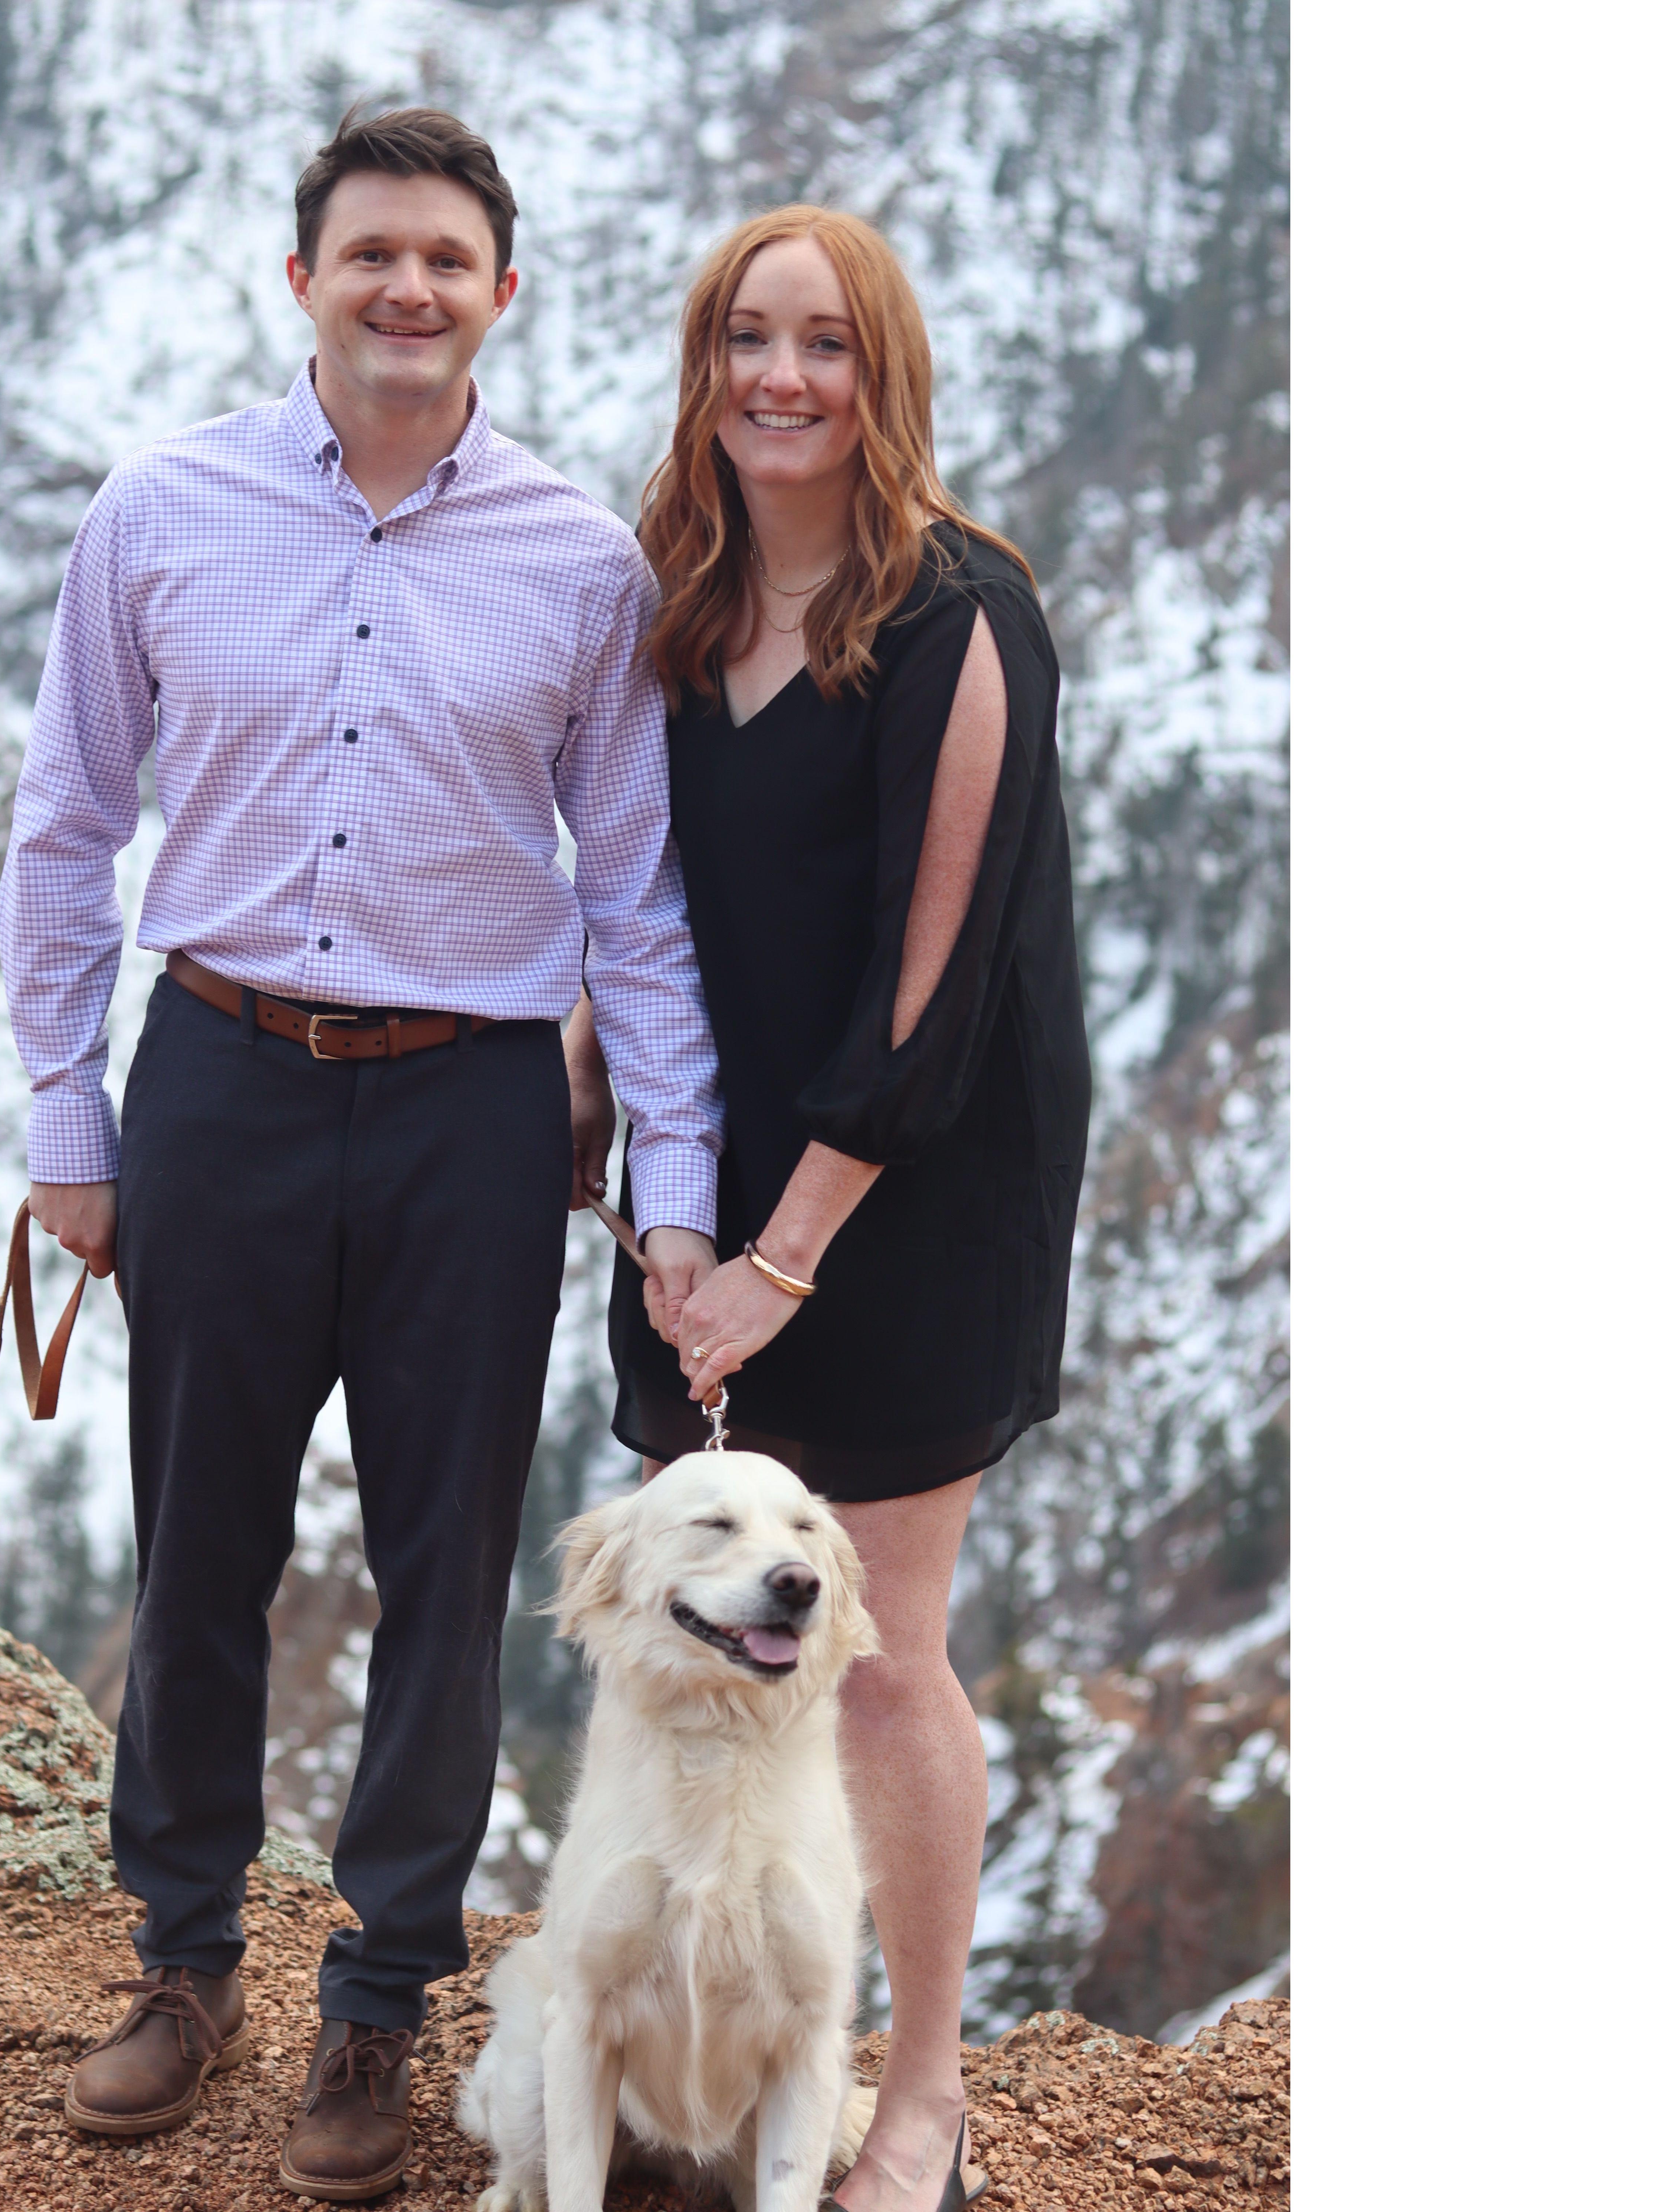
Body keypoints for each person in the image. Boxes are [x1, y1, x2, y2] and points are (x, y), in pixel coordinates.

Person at [0, 107, 723, 2201]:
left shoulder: (581, 564)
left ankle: (380, 2002)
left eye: (446, 259)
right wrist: (68, 1117)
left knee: (443, 1567)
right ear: (302, 276)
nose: (409, 287)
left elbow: (638, 903)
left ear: (505, 292)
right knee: (198, 1546)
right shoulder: (161, 512)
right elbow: (67, 826)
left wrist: (675, 1188)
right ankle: (183, 1966)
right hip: (217, 1078)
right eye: (372, 253)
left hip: (470, 1112)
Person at [565, 206, 1090, 2212]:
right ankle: (711, 2069)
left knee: (874, 1653)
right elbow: (636, 895)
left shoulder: (962, 613)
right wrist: (624, 1132)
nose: (782, 378)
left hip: (917, 1183)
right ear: (704, 366)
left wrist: (792, 1252)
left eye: (827, 344)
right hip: (709, 1176)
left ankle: (919, 2099)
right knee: (702, 1638)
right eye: (747, 339)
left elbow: (929, 986)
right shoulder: (678, 598)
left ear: (887, 376)